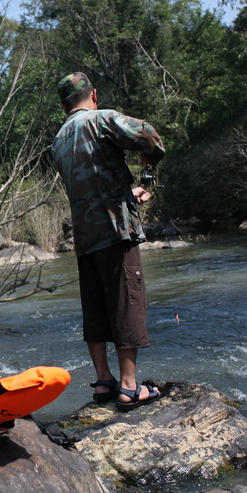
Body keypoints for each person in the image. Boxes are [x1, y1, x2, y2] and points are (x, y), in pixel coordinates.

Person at [51, 72, 165, 411]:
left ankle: (103, 380)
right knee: (127, 299)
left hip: (85, 236)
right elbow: (150, 136)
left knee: (96, 304)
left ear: (63, 106)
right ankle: (129, 387)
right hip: (117, 231)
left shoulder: (58, 140)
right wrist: (150, 162)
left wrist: (126, 192)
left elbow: (91, 185)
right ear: (94, 95)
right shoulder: (103, 120)